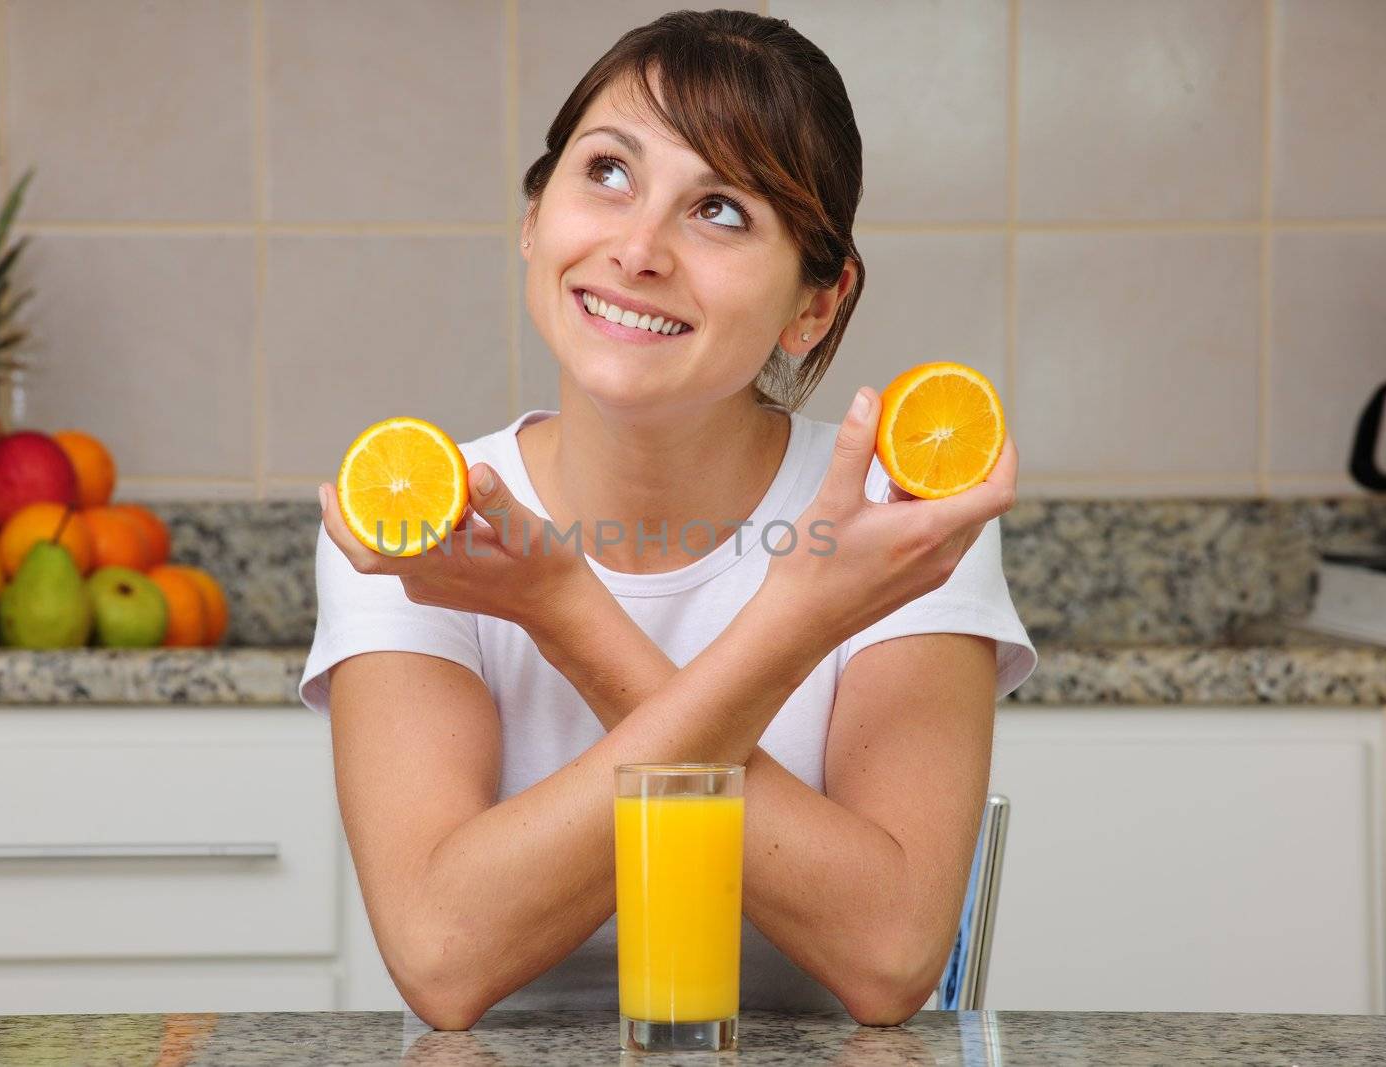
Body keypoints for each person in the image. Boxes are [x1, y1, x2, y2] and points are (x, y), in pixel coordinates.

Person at [299, 9, 1036, 1031]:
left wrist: (564, 610)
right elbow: (442, 954)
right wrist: (787, 621)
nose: (637, 247)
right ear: (532, 215)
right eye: (606, 171)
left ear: (815, 304)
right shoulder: (426, 513)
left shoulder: (893, 519)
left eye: (722, 210)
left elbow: (888, 955)